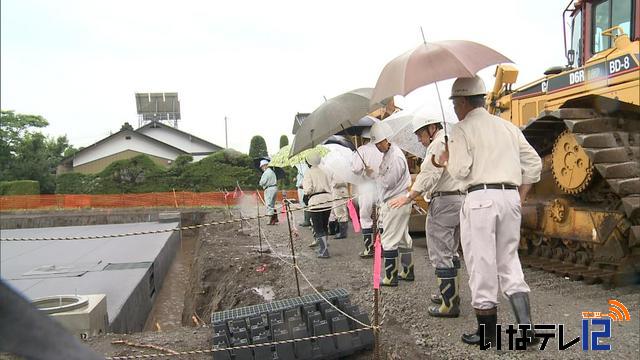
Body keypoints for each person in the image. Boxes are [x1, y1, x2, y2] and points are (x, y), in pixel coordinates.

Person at [440, 76, 542, 347]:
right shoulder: (508, 127)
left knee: (481, 262)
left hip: (480, 198)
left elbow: (461, 170)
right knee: (509, 260)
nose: (453, 108)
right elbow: (533, 163)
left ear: (462, 101)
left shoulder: (460, 130)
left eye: (454, 103)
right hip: (510, 197)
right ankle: (527, 329)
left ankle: (487, 333)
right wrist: (520, 196)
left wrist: (448, 159)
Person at [389, 115, 464, 318]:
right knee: (451, 250)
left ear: (431, 128)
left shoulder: (438, 143)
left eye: (420, 135)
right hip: (460, 200)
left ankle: (448, 305)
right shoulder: (455, 140)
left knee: (440, 253)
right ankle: (450, 295)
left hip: (444, 201)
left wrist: (409, 196)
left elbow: (430, 174)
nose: (420, 141)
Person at [369, 121, 413, 286]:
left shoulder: (395, 157)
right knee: (402, 239)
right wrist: (375, 174)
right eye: (376, 143)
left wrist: (375, 176)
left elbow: (389, 182)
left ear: (387, 139)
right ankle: (407, 271)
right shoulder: (389, 154)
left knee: (389, 239)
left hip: (395, 201)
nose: (379, 146)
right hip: (396, 200)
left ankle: (390, 276)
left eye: (380, 142)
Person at [351, 128, 383, 258]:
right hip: (381, 186)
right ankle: (382, 247)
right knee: (381, 217)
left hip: (367, 187)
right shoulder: (381, 149)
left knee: (365, 217)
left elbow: (356, 169)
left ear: (364, 138)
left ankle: (369, 249)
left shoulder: (362, 150)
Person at [302, 152, 334, 258]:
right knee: (324, 225)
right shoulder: (326, 170)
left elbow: (307, 190)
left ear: (308, 161)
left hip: (315, 201)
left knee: (318, 227)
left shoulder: (309, 172)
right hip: (328, 200)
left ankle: (324, 250)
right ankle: (323, 248)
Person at [258, 159, 279, 225]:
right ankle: (274, 219)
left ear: (265, 165)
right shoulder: (272, 172)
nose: (261, 168)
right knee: (272, 204)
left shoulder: (266, 173)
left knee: (269, 204)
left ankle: (270, 220)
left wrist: (260, 182)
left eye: (262, 166)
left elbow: (262, 182)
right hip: (274, 188)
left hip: (269, 189)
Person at [330, 173, 350, 239]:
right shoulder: (342, 168)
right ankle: (339, 231)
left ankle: (343, 233)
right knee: (339, 211)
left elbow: (337, 182)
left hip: (338, 190)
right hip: (342, 190)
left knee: (340, 212)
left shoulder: (336, 169)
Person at [295, 163, 311, 227]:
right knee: (303, 204)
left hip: (303, 188)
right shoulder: (300, 169)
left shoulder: (303, 168)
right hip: (300, 188)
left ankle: (307, 220)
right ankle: (306, 219)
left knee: (305, 204)